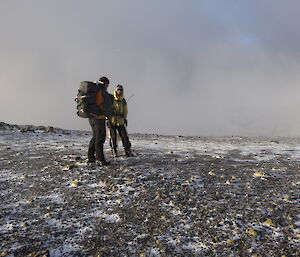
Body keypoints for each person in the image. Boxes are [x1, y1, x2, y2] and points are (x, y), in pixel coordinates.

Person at [87, 76, 111, 166]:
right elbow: (103, 104)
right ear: (105, 84)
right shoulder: (101, 90)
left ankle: (91, 157)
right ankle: (100, 159)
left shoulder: (94, 89)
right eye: (107, 84)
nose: (107, 86)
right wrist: (107, 114)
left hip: (91, 117)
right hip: (99, 118)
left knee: (95, 137)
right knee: (100, 139)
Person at [109, 84, 133, 157]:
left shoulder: (123, 100)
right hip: (112, 121)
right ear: (116, 91)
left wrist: (124, 117)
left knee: (124, 136)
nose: (120, 91)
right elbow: (108, 108)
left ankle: (128, 151)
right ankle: (114, 151)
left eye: (121, 90)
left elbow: (125, 110)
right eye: (118, 90)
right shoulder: (111, 99)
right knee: (113, 137)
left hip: (121, 121)